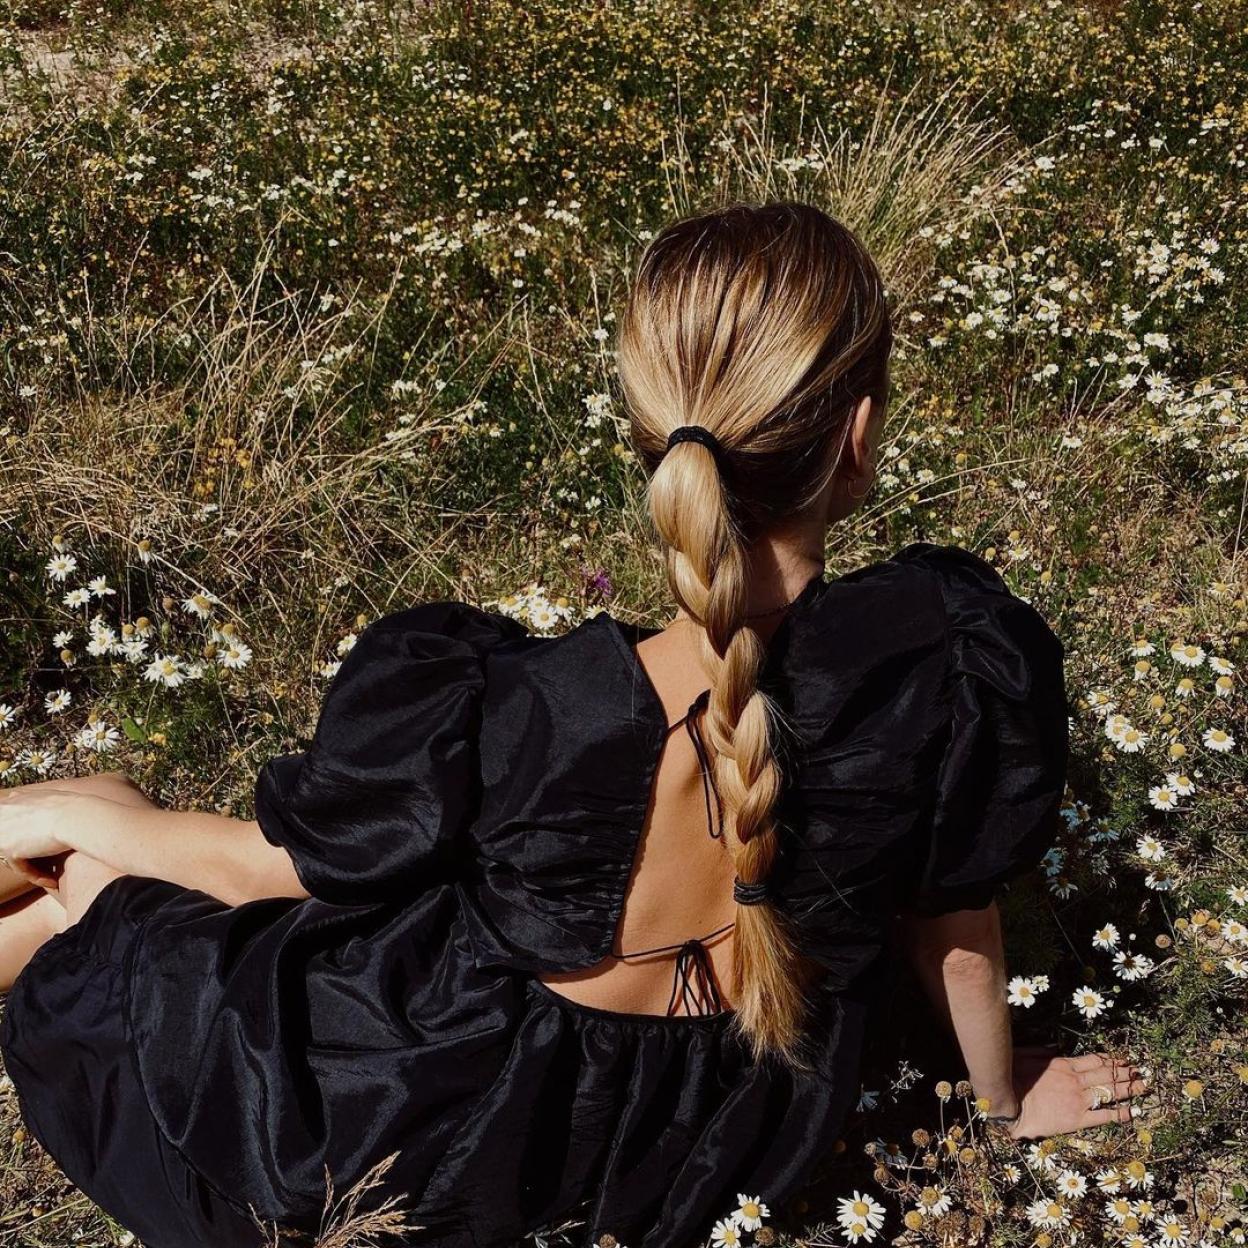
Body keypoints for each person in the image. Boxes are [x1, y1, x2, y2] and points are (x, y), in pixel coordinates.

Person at [0, 200, 1144, 1248]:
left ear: (651, 440)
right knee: (95, 863)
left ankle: (54, 854)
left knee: (83, 869)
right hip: (722, 1137)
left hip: (455, 1119)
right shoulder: (953, 664)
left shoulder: (517, 705)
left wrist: (62, 808)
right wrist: (994, 1108)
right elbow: (957, 926)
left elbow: (273, 870)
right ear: (859, 438)